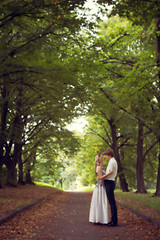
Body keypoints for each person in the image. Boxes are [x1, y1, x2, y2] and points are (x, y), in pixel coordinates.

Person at [98, 148, 118, 226]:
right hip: (109, 182)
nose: (105, 157)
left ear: (108, 154)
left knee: (112, 202)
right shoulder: (112, 161)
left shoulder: (112, 161)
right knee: (111, 202)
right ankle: (113, 220)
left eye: (105, 155)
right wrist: (105, 170)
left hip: (109, 182)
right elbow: (109, 171)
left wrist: (103, 176)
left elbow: (111, 172)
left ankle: (114, 221)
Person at [89, 153, 109, 224]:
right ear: (100, 160)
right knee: (100, 202)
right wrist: (109, 173)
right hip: (100, 187)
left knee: (100, 202)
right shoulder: (99, 167)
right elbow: (100, 177)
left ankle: (99, 218)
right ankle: (100, 219)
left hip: (100, 186)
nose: (104, 159)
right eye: (103, 158)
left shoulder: (100, 167)